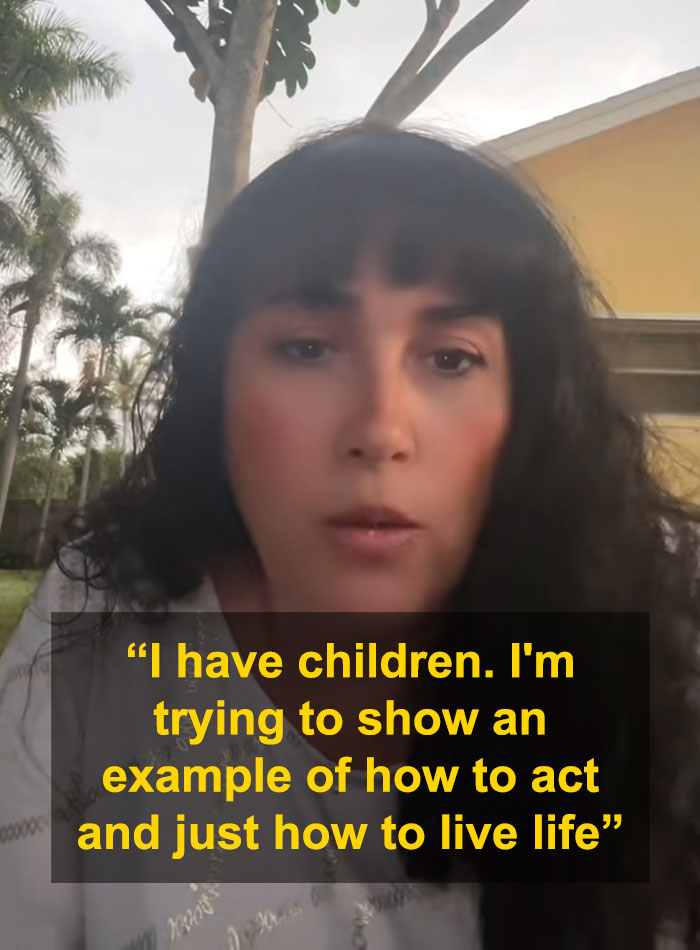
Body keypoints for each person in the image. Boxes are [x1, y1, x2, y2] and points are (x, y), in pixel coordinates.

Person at [0, 122, 699, 950]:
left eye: (450, 359)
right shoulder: (104, 612)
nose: (380, 431)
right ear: (218, 392)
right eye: (306, 348)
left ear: (530, 410)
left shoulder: (664, 622)